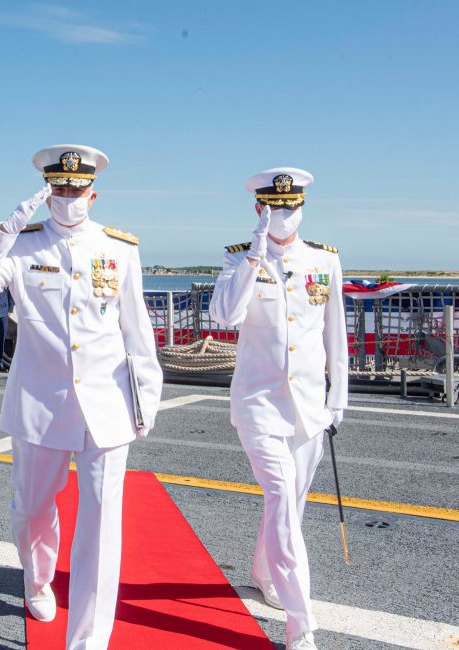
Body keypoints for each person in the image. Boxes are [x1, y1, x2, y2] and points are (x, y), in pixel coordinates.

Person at [0, 145, 163, 650]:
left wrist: (146, 403)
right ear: (47, 193)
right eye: (59, 189)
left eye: (76, 189)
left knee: (100, 527)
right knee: (31, 511)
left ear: (94, 193)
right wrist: (2, 233)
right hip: (40, 405)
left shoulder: (121, 249)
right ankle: (37, 575)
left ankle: (88, 642)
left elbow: (138, 333)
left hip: (108, 408)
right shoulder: (22, 246)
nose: (68, 198)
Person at [208, 167, 348, 650]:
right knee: (283, 500)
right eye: (274, 208)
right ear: (258, 210)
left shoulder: (324, 261)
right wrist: (254, 254)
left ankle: (264, 573)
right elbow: (224, 316)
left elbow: (335, 336)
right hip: (259, 405)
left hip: (309, 406)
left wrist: (337, 400)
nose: (284, 215)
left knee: (292, 503)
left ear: (303, 208)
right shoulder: (237, 260)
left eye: (291, 207)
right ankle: (300, 623)